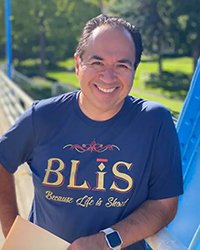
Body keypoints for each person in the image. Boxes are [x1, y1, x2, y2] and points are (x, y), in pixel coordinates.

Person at [0, 14, 183, 250]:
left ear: (134, 70)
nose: (108, 76)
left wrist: (107, 240)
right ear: (78, 64)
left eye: (122, 65)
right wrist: (13, 234)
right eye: (97, 62)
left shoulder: (154, 122)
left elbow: (164, 205)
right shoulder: (42, 117)